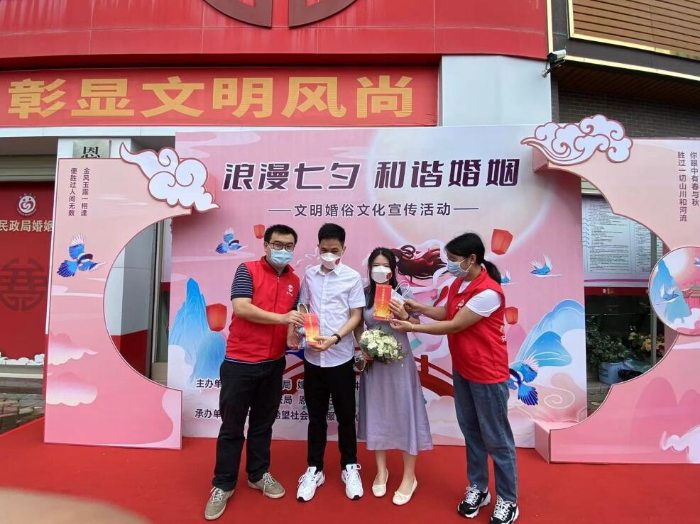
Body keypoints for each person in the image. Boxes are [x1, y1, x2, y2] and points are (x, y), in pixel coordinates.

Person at [391, 233, 519, 524]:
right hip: (463, 370)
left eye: (452, 259)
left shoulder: (489, 292)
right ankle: (479, 488)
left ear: (471, 259)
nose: (448, 264)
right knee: (471, 432)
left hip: (487, 374)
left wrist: (412, 327)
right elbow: (447, 312)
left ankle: (508, 499)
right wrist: (419, 308)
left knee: (496, 438)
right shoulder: (458, 284)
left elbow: (454, 325)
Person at [204, 225, 304, 521]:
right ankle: (223, 484)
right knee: (232, 427)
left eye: (289, 245)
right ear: (266, 245)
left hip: (274, 363)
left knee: (263, 424)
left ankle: (258, 474)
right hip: (240, 362)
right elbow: (242, 308)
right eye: (278, 244)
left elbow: (292, 318)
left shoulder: (294, 280)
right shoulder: (246, 270)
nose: (283, 250)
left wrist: (292, 333)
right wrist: (283, 318)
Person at [354, 247, 433, 506]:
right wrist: (364, 346)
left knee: (404, 413)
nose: (380, 270)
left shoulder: (404, 294)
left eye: (385, 266)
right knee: (377, 413)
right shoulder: (364, 294)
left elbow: (418, 325)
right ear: (369, 269)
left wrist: (405, 316)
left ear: (393, 269)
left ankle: (410, 476)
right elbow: (358, 326)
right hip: (375, 365)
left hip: (400, 363)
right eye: (375, 265)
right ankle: (381, 471)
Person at [296, 223, 365, 502]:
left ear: (343, 249)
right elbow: (303, 307)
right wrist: (304, 332)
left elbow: (356, 316)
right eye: (324, 249)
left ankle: (350, 466)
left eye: (334, 250)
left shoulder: (352, 277)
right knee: (316, 417)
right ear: (317, 247)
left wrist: (335, 338)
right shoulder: (309, 275)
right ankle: (314, 469)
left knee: (346, 417)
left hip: (340, 358)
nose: (328, 255)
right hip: (313, 358)